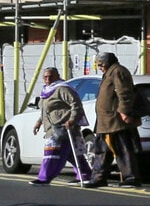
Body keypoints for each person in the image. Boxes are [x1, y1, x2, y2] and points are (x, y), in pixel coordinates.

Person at [85, 50, 142, 188]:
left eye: (100, 64)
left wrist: (124, 112)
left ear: (107, 62)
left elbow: (125, 93)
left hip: (116, 120)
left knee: (123, 149)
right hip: (106, 121)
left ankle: (131, 177)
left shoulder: (118, 71)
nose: (99, 67)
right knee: (102, 150)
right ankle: (98, 178)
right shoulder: (109, 73)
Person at [31, 68, 91, 185]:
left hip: (63, 127)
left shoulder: (62, 88)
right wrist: (39, 122)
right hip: (53, 127)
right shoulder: (46, 90)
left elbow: (76, 104)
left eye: (51, 76)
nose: (48, 79)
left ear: (57, 76)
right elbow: (45, 110)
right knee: (73, 153)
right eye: (45, 77)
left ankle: (44, 178)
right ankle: (85, 174)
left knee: (51, 153)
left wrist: (72, 119)